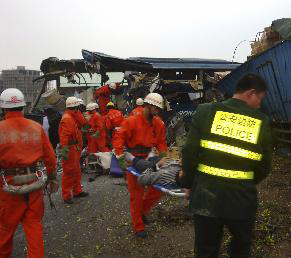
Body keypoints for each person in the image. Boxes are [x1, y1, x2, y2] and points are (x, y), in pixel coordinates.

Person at [180, 73, 272, 258]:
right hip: (241, 201)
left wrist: (188, 185)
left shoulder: (206, 111)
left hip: (205, 197)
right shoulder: (261, 121)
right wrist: (245, 182)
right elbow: (264, 167)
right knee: (240, 250)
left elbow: (189, 152)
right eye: (260, 99)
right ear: (250, 93)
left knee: (206, 251)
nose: (259, 105)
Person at [0, 88, 58, 258]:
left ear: (3, 108)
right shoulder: (36, 127)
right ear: (23, 107)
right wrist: (53, 178)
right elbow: (50, 157)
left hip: (8, 187)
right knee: (34, 228)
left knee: (5, 230)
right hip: (34, 184)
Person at [113, 93, 167, 238]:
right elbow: (118, 140)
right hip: (132, 160)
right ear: (147, 105)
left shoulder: (159, 124)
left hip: (149, 157)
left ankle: (142, 211)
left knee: (158, 188)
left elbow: (161, 143)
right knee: (136, 195)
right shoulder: (131, 121)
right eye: (154, 107)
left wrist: (162, 158)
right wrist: (122, 162)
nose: (156, 111)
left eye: (158, 108)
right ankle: (138, 226)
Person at [59, 97, 89, 204]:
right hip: (70, 149)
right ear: (75, 107)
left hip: (74, 148)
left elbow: (83, 123)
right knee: (68, 172)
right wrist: (65, 152)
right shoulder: (67, 118)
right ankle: (66, 195)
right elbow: (64, 137)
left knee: (76, 171)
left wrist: (77, 113)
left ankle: (77, 191)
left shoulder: (72, 116)